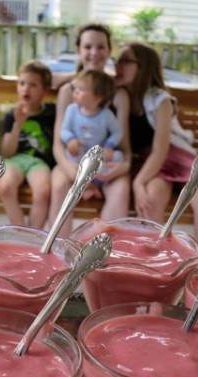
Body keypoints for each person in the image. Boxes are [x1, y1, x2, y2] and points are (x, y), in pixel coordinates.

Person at [114, 42, 198, 255]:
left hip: (176, 157)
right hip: (150, 165)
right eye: (117, 60)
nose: (118, 65)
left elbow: (162, 149)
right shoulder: (119, 95)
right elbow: (81, 80)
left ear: (143, 67)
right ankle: (155, 265)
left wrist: (138, 182)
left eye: (125, 61)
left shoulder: (160, 100)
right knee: (150, 198)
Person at [48, 23, 131, 235]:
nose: (94, 53)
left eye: (100, 47)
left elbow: (124, 145)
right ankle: (60, 251)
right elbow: (59, 142)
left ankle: (99, 252)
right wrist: (71, 170)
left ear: (109, 51)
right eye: (88, 47)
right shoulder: (69, 91)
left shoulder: (119, 94)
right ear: (79, 51)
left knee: (121, 189)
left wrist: (122, 167)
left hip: (107, 163)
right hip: (73, 161)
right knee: (59, 185)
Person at [0, 60, 56, 228]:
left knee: (43, 192)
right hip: (14, 160)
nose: (26, 88)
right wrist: (18, 123)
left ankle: (34, 234)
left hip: (40, 162)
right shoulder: (11, 115)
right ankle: (21, 232)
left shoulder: (52, 112)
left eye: (33, 85)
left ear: (45, 90)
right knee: (6, 187)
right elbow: (7, 152)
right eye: (22, 83)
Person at [60, 69, 124, 199]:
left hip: (97, 155)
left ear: (97, 97)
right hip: (79, 153)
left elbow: (117, 132)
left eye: (81, 90)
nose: (75, 92)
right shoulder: (72, 110)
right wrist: (71, 140)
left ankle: (93, 185)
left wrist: (109, 146)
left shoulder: (106, 115)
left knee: (118, 157)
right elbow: (64, 130)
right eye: (75, 88)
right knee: (71, 160)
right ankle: (88, 187)